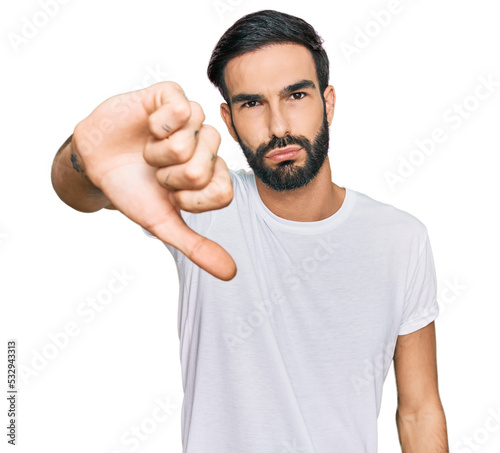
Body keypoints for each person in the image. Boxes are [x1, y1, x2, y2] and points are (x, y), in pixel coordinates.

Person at [51, 9, 448, 453]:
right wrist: (85, 160)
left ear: (328, 102)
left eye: (296, 95)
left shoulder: (399, 238)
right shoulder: (202, 204)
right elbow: (82, 194)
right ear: (228, 118)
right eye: (252, 103)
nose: (279, 127)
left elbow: (419, 410)